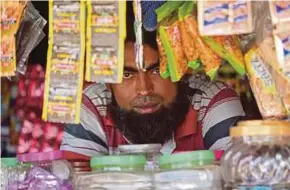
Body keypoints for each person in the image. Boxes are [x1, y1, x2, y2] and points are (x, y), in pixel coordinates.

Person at [60, 4, 245, 156]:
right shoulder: (93, 104)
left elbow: (235, 175)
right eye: (127, 74)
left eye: (156, 70)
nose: (144, 89)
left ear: (179, 71)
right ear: (108, 82)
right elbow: (75, 179)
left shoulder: (211, 100)